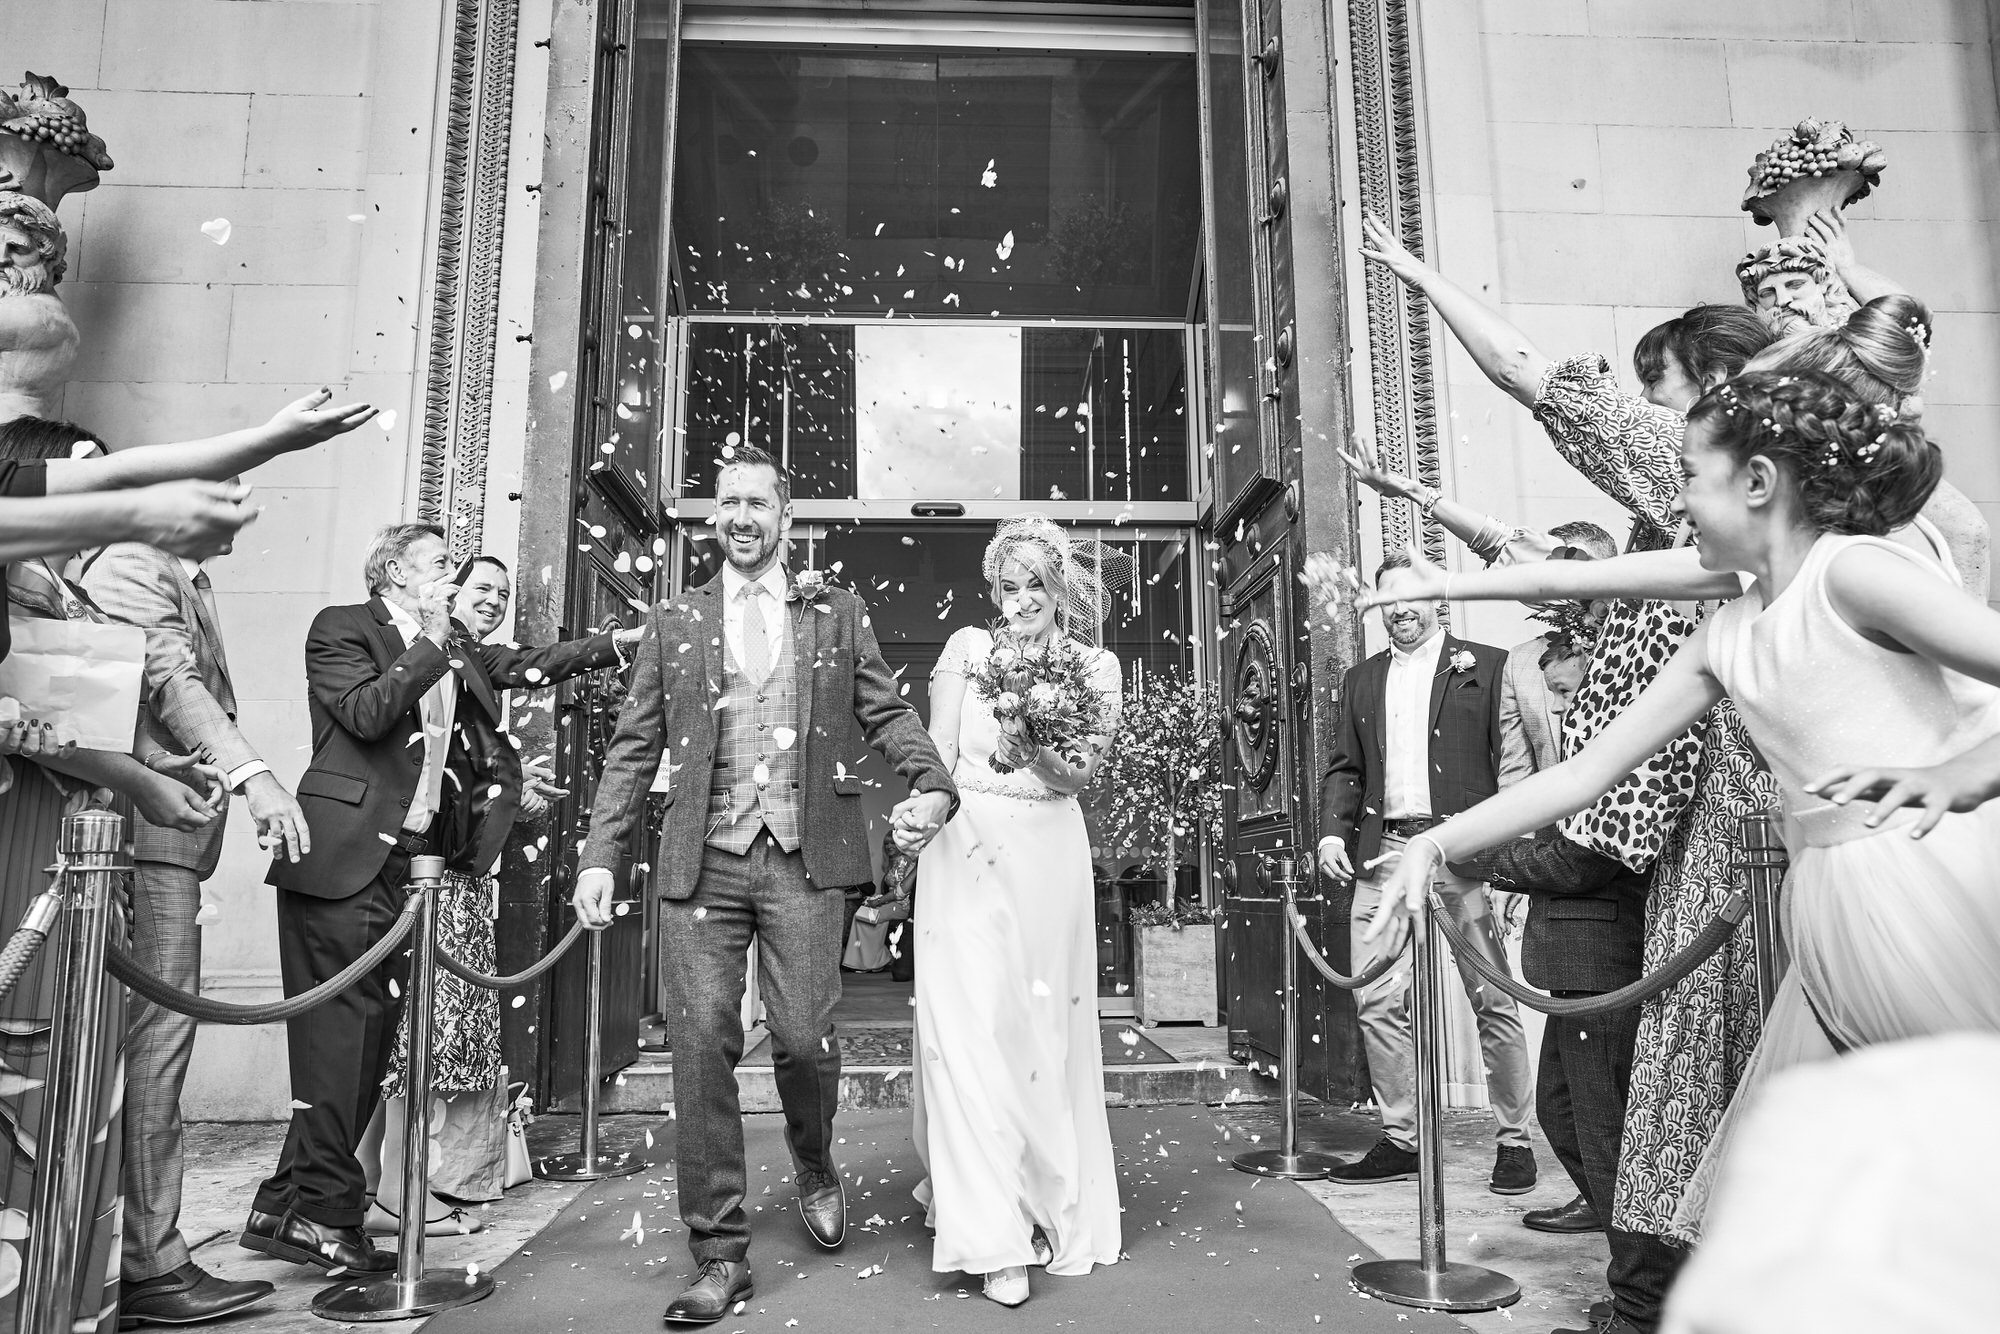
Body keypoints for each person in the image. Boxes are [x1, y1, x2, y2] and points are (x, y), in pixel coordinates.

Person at [1363, 371, 2000, 1248]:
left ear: (1759, 485)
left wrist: (1967, 770)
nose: (1678, 502)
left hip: (1935, 882)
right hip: (1832, 904)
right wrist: (1435, 844)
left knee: (1951, 1161)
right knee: (1846, 1187)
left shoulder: (1853, 574)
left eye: (1690, 479)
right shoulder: (1728, 632)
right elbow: (1584, 775)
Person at [1359, 214, 1779, 1256]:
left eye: (1662, 389)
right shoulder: (1692, 554)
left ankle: (1661, 1277)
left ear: (1718, 396)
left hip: (1723, 853)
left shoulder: (1714, 516)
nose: (1646, 416)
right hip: (1664, 838)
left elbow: (1529, 377)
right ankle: (1652, 1271)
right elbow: (1546, 566)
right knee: (1657, 1086)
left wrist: (1419, 276)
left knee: (1678, 1085)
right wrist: (1443, 555)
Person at [570, 445, 957, 1326]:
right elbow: (634, 747)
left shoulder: (836, 611)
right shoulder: (675, 619)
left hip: (805, 857)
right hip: (702, 858)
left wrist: (932, 781)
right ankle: (718, 1249)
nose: (742, 516)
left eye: (758, 502)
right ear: (715, 519)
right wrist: (600, 851)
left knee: (805, 1039)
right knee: (702, 1041)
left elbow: (885, 709)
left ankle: (814, 1161)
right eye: (729, 501)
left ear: (786, 518)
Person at [241, 524, 625, 1277]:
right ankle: (321, 1211)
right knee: (338, 1044)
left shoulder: (459, 652)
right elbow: (366, 713)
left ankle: (285, 1202)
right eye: (443, 565)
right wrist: (433, 640)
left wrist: (625, 640)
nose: (455, 578)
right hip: (339, 860)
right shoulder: (344, 628)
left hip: (410, 871)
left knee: (365, 1045)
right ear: (392, 571)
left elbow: (534, 663)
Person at [0, 421, 240, 1334]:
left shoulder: (69, 581)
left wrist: (148, 768)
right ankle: (111, 1266)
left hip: (85, 818)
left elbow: (94, 715)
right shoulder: (79, 573)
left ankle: (73, 1278)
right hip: (39, 833)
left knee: (80, 1060)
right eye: (87, 477)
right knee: (46, 1049)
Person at [362, 553, 634, 1225]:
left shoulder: (468, 660)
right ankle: (396, 1190)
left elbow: (520, 680)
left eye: (504, 591)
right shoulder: (427, 653)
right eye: (482, 587)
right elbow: (414, 761)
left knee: (438, 1033)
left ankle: (408, 1182)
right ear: (443, 590)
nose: (495, 598)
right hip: (417, 875)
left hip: (455, 871)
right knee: (417, 1033)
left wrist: (509, 790)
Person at [911, 516, 1128, 1307]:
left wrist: (1028, 736)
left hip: (1047, 854)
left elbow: (1076, 778)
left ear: (1062, 587)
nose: (1022, 598)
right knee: (966, 1029)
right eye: (1010, 584)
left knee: (1036, 1034)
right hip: (964, 844)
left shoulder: (1095, 668)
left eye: (1037, 582)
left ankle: (1038, 1197)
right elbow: (934, 752)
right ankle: (991, 1235)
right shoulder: (966, 649)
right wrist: (919, 810)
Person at [1315, 552, 1536, 1196]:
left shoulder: (1487, 666)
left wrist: (1510, 859)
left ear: (1439, 600)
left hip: (1462, 856)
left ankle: (1514, 1141)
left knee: (1492, 998)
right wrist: (1333, 827)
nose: (1401, 609)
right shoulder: (1361, 679)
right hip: (1383, 854)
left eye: (1413, 597)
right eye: (1389, 600)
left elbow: (1513, 768)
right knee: (1376, 997)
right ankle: (1402, 1136)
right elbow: (1346, 766)